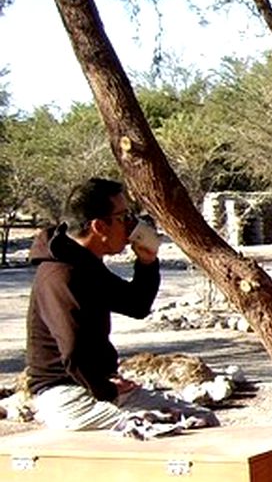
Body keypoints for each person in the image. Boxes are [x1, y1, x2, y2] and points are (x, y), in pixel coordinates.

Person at [27, 177, 218, 432]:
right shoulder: (61, 274)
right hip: (67, 396)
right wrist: (104, 388)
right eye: (122, 217)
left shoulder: (84, 264)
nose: (130, 226)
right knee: (180, 425)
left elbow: (136, 305)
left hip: (90, 386)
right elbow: (73, 350)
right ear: (99, 226)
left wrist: (147, 264)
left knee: (198, 418)